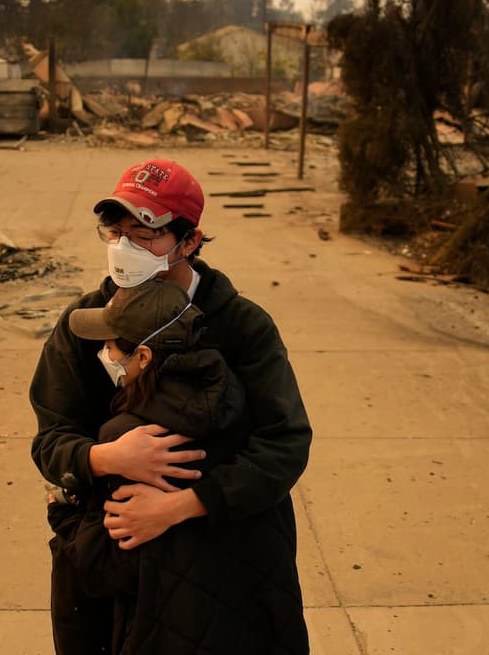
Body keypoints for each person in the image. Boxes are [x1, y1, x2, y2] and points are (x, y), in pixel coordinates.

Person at [30, 158, 312, 654]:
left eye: (145, 234)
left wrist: (177, 508)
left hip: (228, 561)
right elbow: (52, 436)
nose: (123, 248)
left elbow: (284, 445)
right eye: (115, 232)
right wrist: (106, 458)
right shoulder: (82, 322)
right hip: (114, 558)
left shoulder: (241, 326)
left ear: (189, 241)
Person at [50, 279, 248, 603]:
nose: (104, 353)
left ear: (143, 357)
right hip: (235, 597)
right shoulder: (233, 399)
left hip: (167, 617)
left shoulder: (130, 439)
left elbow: (102, 566)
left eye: (110, 345)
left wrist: (62, 515)